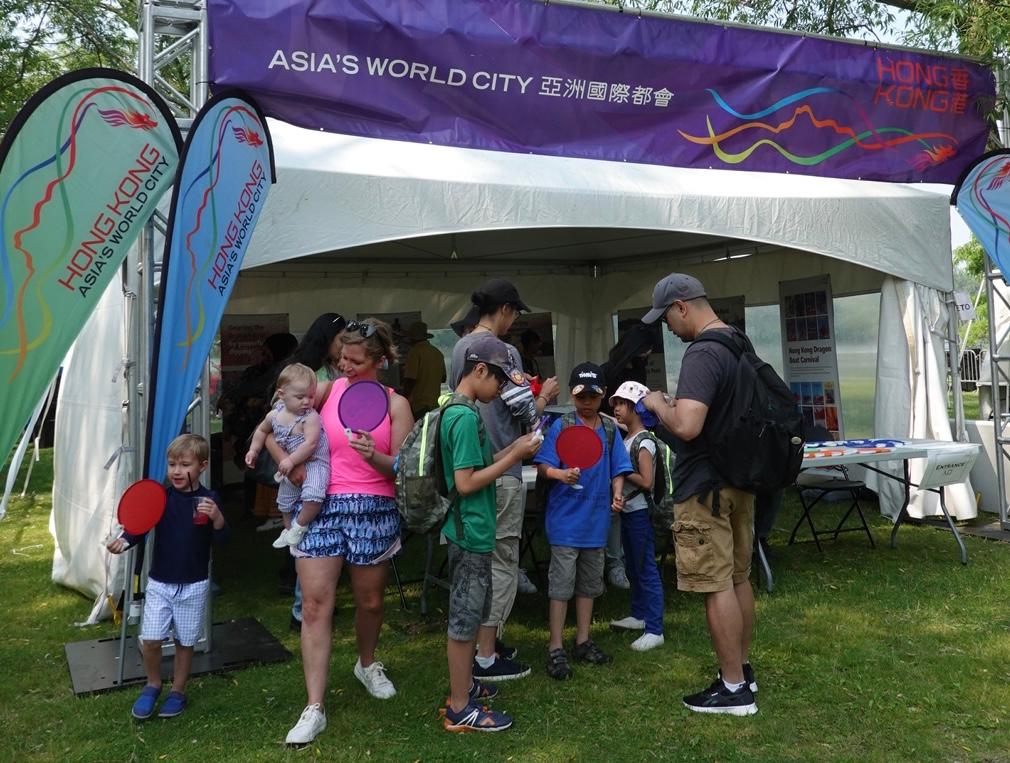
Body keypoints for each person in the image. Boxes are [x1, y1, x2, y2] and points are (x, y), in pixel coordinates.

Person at [270, 318, 413, 746]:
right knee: (315, 605)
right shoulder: (328, 391)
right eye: (341, 358)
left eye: (354, 360)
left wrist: (376, 456)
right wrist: (287, 461)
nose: (344, 366)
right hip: (321, 506)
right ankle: (314, 707)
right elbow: (282, 419)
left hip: (373, 506)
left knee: (370, 601)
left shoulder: (395, 404)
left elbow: (403, 468)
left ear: (379, 360)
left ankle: (366, 663)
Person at [641, 272, 758, 716]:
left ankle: (732, 690)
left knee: (715, 584)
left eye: (667, 318)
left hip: (706, 487)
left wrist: (657, 404)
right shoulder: (738, 343)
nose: (668, 328)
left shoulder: (702, 353)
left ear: (682, 306)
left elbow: (688, 425)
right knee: (739, 578)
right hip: (740, 479)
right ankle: (742, 671)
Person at [450, 278, 559, 682]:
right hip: (503, 468)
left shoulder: (460, 346)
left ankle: (485, 643)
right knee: (502, 561)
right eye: (515, 313)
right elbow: (526, 412)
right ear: (506, 310)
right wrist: (544, 395)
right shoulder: (503, 352)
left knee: (481, 560)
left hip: (474, 465)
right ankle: (486, 655)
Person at [439, 334, 542, 732]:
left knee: (473, 612)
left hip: (475, 531)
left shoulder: (462, 410)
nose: (500, 391)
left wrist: (512, 448)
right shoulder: (464, 418)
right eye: (498, 383)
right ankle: (460, 707)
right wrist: (515, 457)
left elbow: (480, 464)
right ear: (479, 370)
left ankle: (465, 685)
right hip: (470, 532)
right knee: (464, 622)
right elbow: (465, 483)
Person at [106, 434, 228, 720]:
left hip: (194, 584)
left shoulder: (209, 500)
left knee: (186, 642)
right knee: (151, 639)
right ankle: (153, 684)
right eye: (171, 464)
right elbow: (138, 526)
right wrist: (123, 541)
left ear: (202, 466)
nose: (176, 470)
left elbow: (222, 539)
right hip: (160, 583)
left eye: (184, 464)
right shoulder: (161, 496)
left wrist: (217, 518)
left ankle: (178, 690)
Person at [534, 362, 632, 680]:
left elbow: (619, 469)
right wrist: (560, 474)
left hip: (596, 522)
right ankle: (555, 647)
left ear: (603, 395)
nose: (586, 401)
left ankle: (583, 640)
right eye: (580, 395)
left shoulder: (608, 429)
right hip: (564, 523)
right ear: (572, 395)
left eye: (592, 395)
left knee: (589, 585)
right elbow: (544, 466)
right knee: (561, 587)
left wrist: (617, 494)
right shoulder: (561, 426)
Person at [245, 363, 329, 550]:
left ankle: (300, 526)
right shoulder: (275, 415)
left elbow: (311, 443)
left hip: (314, 463)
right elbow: (261, 431)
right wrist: (253, 451)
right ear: (281, 394)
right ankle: (288, 528)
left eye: (311, 396)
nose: (307, 402)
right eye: (300, 397)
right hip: (289, 465)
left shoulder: (310, 417)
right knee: (284, 500)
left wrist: (290, 460)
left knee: (314, 496)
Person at [608, 381, 665, 652]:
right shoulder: (628, 437)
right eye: (616, 404)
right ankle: (639, 614)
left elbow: (646, 480)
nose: (617, 409)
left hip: (640, 512)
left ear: (637, 407)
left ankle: (655, 628)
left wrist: (619, 468)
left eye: (622, 404)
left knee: (646, 569)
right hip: (630, 513)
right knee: (632, 565)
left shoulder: (644, 442)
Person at [402, 320, 446, 419]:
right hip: (435, 404)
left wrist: (403, 400)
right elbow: (443, 378)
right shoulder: (437, 353)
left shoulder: (414, 352)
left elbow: (410, 379)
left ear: (412, 338)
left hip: (419, 405)